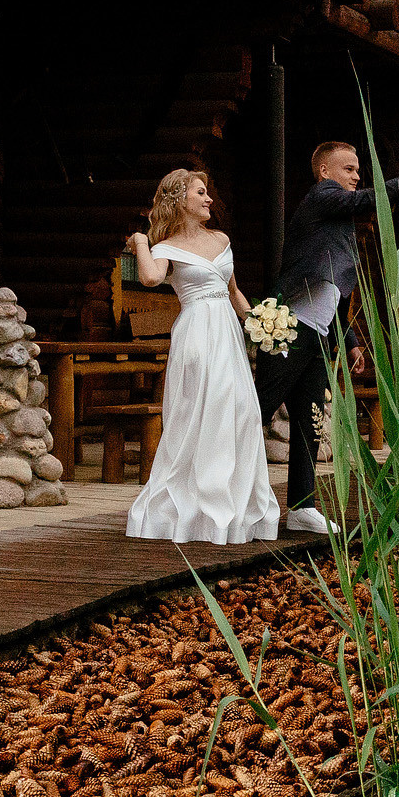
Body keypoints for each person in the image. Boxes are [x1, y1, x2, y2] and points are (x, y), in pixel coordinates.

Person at [263, 140, 399, 533]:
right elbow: (372, 199)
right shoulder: (322, 196)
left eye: (359, 169)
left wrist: (352, 338)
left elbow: (329, 291)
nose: (357, 176)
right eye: (349, 169)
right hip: (287, 333)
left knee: (310, 422)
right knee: (256, 411)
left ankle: (301, 507)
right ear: (325, 172)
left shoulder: (335, 220)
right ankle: (221, 492)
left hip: (318, 334)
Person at [120, 169, 283, 545]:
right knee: (200, 413)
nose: (209, 199)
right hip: (196, 332)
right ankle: (194, 510)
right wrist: (143, 242)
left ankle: (231, 505)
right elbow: (148, 278)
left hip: (227, 333)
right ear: (180, 200)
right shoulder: (164, 249)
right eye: (201, 192)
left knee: (241, 409)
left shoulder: (222, 239)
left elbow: (233, 291)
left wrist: (265, 326)